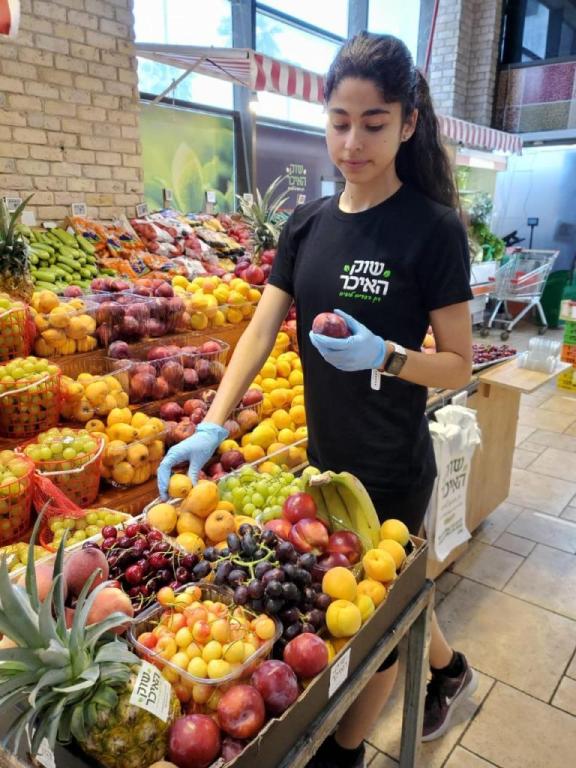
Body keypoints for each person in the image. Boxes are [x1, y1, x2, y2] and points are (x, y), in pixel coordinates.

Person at [158, 31, 478, 768]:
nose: (353, 142)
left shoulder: (432, 231)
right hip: (323, 461)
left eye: (374, 123)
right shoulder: (306, 225)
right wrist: (211, 424)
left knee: (374, 624)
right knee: (382, 590)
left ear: (408, 124)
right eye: (339, 122)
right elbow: (259, 331)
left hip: (391, 468)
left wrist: (387, 356)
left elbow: (458, 363)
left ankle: (346, 751)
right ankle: (451, 668)